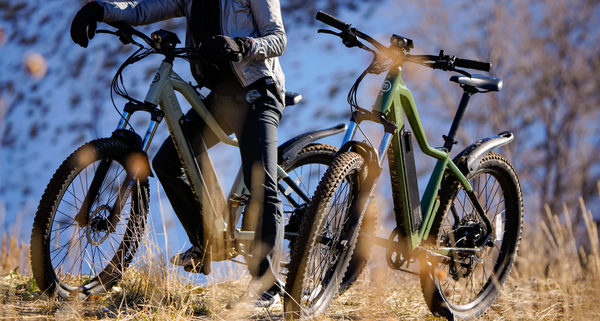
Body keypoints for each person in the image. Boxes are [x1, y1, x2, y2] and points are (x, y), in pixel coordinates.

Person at [70, 0, 286, 309]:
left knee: (260, 184)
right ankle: (208, 243)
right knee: (166, 163)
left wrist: (241, 44)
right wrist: (100, 9)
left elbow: (277, 38)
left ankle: (267, 289)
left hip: (257, 91)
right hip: (221, 97)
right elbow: (141, 10)